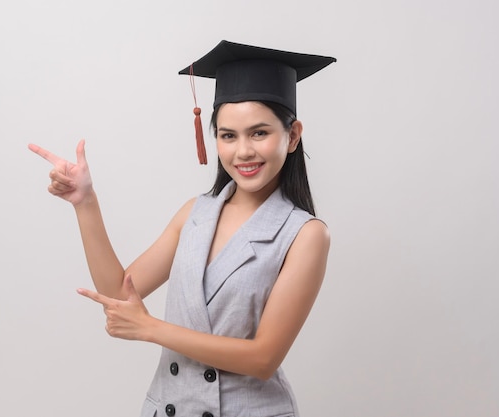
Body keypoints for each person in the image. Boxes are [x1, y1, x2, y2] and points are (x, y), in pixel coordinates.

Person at [29, 40, 335, 417]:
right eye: (228, 135)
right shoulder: (195, 213)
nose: (243, 152)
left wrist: (151, 328)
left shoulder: (305, 234)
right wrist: (85, 203)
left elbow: (263, 358)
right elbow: (120, 294)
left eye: (259, 133)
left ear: (292, 135)